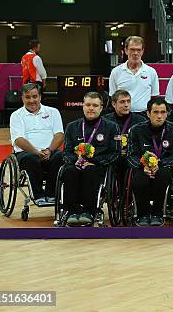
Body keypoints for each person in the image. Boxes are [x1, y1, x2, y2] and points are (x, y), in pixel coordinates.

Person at [62, 92, 119, 226]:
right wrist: (74, 161)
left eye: (95, 105)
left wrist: (94, 162)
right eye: (88, 105)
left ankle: (89, 211)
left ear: (101, 107)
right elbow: (66, 152)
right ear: (83, 106)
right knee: (69, 171)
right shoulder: (72, 126)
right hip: (76, 164)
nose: (91, 108)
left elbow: (115, 153)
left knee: (90, 171)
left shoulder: (111, 127)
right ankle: (72, 211)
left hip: (98, 166)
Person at [127, 97, 173, 227]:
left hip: (164, 166)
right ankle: (142, 214)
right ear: (148, 113)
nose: (159, 116)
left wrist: (160, 164)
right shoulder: (136, 130)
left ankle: (158, 213)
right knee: (139, 178)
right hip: (143, 167)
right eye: (155, 112)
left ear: (167, 113)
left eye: (163, 112)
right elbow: (131, 155)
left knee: (162, 176)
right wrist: (143, 165)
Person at [9, 83, 64, 205]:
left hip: (50, 151)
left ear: (40, 96)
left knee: (60, 156)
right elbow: (18, 139)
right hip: (27, 153)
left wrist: (49, 150)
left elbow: (59, 135)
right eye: (27, 97)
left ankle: (52, 195)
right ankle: (38, 195)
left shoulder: (53, 112)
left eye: (34, 96)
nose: (32, 100)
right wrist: (37, 152)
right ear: (22, 98)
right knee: (31, 159)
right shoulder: (16, 116)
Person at [102, 89, 146, 183]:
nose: (126, 105)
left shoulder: (140, 121)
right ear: (114, 104)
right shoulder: (105, 121)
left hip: (132, 157)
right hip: (112, 157)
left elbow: (143, 142)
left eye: (128, 101)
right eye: (122, 102)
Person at [109, 36, 160, 114]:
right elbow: (113, 97)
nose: (135, 53)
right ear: (126, 51)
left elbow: (154, 98)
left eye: (138, 50)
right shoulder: (116, 72)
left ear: (142, 51)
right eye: (132, 49)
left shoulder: (151, 72)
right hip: (122, 116)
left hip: (144, 116)